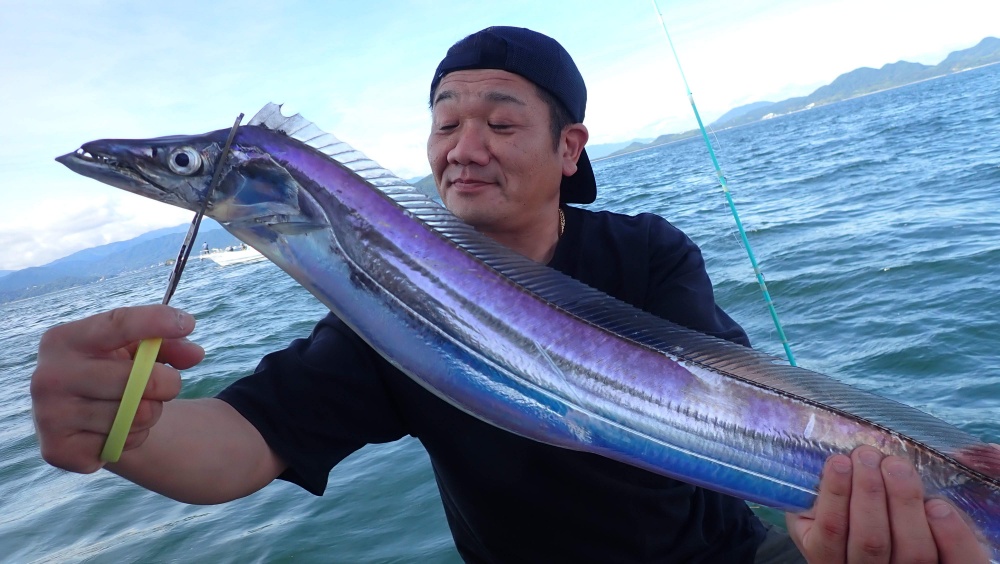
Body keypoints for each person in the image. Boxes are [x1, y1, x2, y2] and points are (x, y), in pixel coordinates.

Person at [31, 27, 988, 563]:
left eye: (500, 121)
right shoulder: (384, 311)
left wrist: (842, 519)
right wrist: (121, 432)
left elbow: (736, 402)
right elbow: (239, 447)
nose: (464, 146)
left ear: (570, 149)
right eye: (445, 122)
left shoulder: (646, 253)